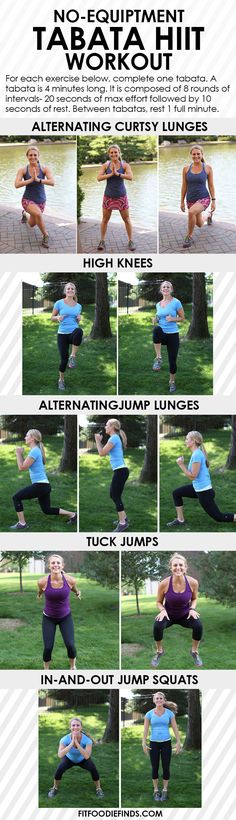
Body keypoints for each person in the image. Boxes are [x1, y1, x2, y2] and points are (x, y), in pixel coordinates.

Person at [10, 428, 77, 530]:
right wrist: (21, 454)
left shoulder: (35, 451)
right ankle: (73, 515)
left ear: (32, 438)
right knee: (47, 510)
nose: (25, 437)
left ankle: (22, 523)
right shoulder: (36, 450)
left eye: (27, 435)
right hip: (44, 486)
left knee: (16, 497)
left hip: (40, 486)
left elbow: (21, 468)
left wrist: (18, 453)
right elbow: (25, 465)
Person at [167, 430, 236, 527]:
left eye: (187, 439)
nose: (185, 441)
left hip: (204, 492)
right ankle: (180, 519)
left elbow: (192, 476)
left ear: (193, 441)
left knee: (219, 517)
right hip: (198, 488)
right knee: (176, 493)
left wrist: (181, 465)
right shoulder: (197, 453)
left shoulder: (197, 455)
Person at [151, 553, 203, 668]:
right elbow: (158, 602)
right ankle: (159, 651)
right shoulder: (164, 583)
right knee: (157, 626)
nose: (178, 567)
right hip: (168, 615)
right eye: (175, 565)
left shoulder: (193, 582)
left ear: (185, 567)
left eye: (181, 565)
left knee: (198, 625)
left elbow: (194, 599)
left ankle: (194, 652)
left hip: (185, 615)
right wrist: (162, 610)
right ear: (171, 567)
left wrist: (192, 609)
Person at [37, 554, 81, 669]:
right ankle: (46, 670)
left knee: (70, 644)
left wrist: (77, 593)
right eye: (53, 563)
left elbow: (74, 589)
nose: (55, 565)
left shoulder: (70, 580)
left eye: (58, 563)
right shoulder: (42, 581)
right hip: (48, 618)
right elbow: (40, 590)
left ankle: (72, 667)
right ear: (49, 566)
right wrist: (39, 594)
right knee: (48, 647)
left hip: (65, 617)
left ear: (62, 565)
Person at [47, 716, 104, 799]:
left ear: (81, 727)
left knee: (93, 769)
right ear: (70, 727)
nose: (75, 727)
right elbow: (60, 755)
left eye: (78, 725)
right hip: (69, 759)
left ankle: (99, 789)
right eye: (73, 725)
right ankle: (54, 788)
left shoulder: (87, 740)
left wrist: (77, 744)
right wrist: (71, 743)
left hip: (83, 759)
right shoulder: (64, 739)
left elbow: (87, 756)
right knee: (59, 769)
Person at [142, 692, 181, 802]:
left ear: (164, 700)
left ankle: (164, 789)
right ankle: (155, 790)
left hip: (166, 743)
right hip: (153, 743)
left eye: (160, 698)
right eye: (157, 698)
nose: (159, 700)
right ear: (154, 700)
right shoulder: (149, 714)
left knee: (166, 767)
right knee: (155, 767)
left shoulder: (169, 714)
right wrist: (143, 743)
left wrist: (178, 742)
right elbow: (145, 730)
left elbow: (175, 728)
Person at [97, 144, 136, 252]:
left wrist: (118, 174)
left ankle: (131, 240)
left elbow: (131, 177)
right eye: (111, 152)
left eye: (116, 152)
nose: (114, 154)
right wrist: (110, 175)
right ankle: (102, 241)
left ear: (119, 153)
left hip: (121, 197)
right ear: (109, 154)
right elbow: (98, 178)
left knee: (126, 219)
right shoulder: (105, 165)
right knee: (105, 220)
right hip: (108, 196)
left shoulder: (125, 165)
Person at [14, 145, 54, 248]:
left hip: (41, 200)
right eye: (30, 155)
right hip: (27, 199)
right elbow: (17, 185)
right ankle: (45, 235)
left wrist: (39, 180)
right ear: (27, 156)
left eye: (35, 155)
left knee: (31, 224)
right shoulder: (22, 170)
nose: (33, 157)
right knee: (38, 214)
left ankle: (25, 214)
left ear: (38, 156)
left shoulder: (44, 169)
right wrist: (30, 180)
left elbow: (52, 182)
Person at [95, 418, 129, 532]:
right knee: (113, 494)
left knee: (115, 496)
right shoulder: (113, 438)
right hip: (120, 471)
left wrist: (97, 441)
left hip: (121, 471)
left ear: (112, 427)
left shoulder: (114, 438)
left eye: (107, 425)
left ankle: (123, 523)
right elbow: (104, 452)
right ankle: (123, 517)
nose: (105, 427)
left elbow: (101, 453)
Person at [152, 280, 185, 393]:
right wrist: (155, 319)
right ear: (161, 290)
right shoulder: (158, 304)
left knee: (172, 362)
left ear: (171, 289)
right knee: (156, 330)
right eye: (164, 287)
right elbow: (158, 316)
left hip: (173, 335)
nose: (165, 288)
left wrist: (173, 319)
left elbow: (182, 318)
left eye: (168, 287)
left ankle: (172, 382)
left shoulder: (176, 302)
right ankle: (159, 358)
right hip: (162, 334)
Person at [181, 144, 216, 248]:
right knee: (199, 224)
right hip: (191, 199)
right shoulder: (186, 169)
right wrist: (181, 201)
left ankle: (189, 237)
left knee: (191, 212)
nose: (196, 156)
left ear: (202, 154)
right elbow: (184, 186)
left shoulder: (208, 168)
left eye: (198, 154)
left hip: (204, 198)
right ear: (191, 155)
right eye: (194, 154)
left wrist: (213, 201)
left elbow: (211, 185)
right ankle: (209, 216)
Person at [51, 282, 83, 391]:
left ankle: (73, 357)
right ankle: (61, 380)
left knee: (79, 331)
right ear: (65, 291)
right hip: (62, 334)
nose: (70, 290)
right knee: (63, 360)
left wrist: (79, 318)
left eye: (72, 289)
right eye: (68, 288)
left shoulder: (79, 306)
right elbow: (52, 317)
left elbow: (77, 319)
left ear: (75, 291)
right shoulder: (59, 303)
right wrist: (58, 317)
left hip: (73, 332)